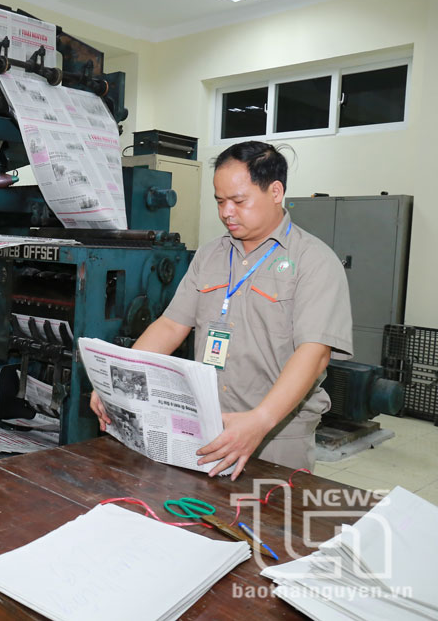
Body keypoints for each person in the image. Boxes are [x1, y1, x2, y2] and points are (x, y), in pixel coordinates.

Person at [91, 141, 352, 479]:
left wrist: (260, 421)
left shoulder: (313, 262)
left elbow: (314, 353)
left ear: (276, 192)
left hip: (276, 435)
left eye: (239, 201)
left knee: (269, 526)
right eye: (219, 201)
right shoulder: (211, 255)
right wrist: (120, 381)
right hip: (205, 426)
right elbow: (171, 325)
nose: (226, 211)